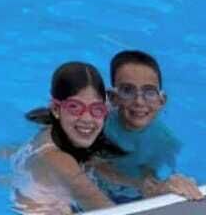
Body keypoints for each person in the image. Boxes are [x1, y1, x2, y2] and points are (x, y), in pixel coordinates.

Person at [10, 62, 124, 213]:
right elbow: (109, 210)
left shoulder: (56, 130)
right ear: (56, 109)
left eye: (97, 109)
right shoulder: (59, 161)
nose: (87, 119)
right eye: (74, 107)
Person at [95, 50, 204, 203]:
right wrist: (141, 184)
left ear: (161, 101)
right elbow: (93, 166)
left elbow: (147, 176)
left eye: (150, 92)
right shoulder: (96, 124)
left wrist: (162, 187)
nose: (139, 101)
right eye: (127, 90)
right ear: (113, 97)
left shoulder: (164, 141)